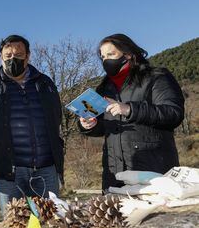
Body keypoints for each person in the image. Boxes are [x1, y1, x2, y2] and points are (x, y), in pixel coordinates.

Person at [79, 34, 184, 192]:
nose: (106, 60)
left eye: (111, 54)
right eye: (103, 57)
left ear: (127, 54)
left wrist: (129, 109)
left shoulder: (156, 76)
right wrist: (89, 125)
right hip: (114, 175)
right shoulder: (102, 89)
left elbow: (173, 113)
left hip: (152, 171)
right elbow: (103, 127)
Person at [0, 35, 64, 217]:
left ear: (28, 56)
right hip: (8, 172)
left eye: (18, 54)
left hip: (46, 168)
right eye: (7, 55)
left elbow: (57, 117)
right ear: (1, 57)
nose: (12, 59)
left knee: (51, 221)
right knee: (15, 225)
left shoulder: (45, 83)